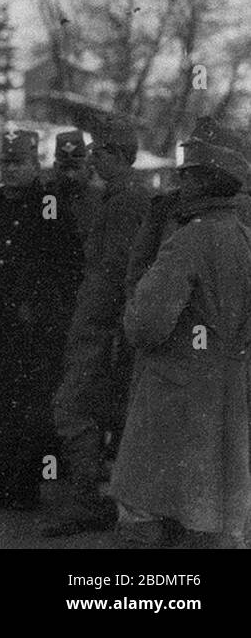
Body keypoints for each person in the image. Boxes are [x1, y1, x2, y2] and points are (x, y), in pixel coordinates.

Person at [109, 120, 251, 549]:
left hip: (175, 396)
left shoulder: (189, 239)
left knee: (145, 511)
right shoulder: (245, 238)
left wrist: (133, 308)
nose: (180, 181)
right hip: (230, 394)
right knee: (213, 518)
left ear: (205, 178)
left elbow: (146, 325)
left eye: (187, 173)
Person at [0, 129, 83, 510]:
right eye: (4, 163)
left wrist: (39, 307)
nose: (10, 171)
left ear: (35, 164)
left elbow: (64, 266)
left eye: (18, 163)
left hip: (30, 329)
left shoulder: (47, 203)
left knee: (27, 409)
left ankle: (26, 487)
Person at [43, 115, 150, 536]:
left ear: (119, 155)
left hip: (102, 330)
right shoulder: (118, 198)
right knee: (101, 414)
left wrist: (104, 331)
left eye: (99, 152)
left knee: (72, 409)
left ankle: (89, 501)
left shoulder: (124, 203)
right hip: (101, 327)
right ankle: (106, 501)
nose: (92, 159)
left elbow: (119, 273)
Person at [43, 130, 101, 253]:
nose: (70, 175)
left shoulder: (101, 199)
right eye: (65, 168)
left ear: (88, 168)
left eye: (75, 168)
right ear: (55, 168)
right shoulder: (47, 198)